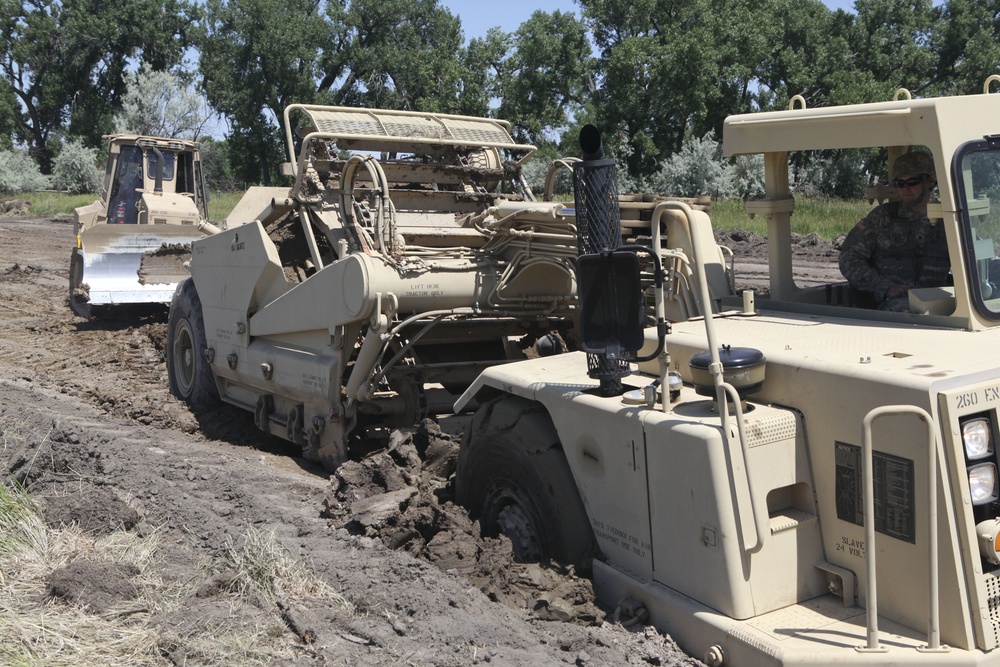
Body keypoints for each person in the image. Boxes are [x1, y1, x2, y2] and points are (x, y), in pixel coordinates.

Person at [839, 151, 950, 311]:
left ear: (930, 182)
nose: (905, 189)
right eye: (900, 183)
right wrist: (884, 287)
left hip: (937, 302)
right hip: (891, 304)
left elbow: (976, 258)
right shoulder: (882, 217)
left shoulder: (947, 219)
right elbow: (849, 258)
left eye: (912, 182)